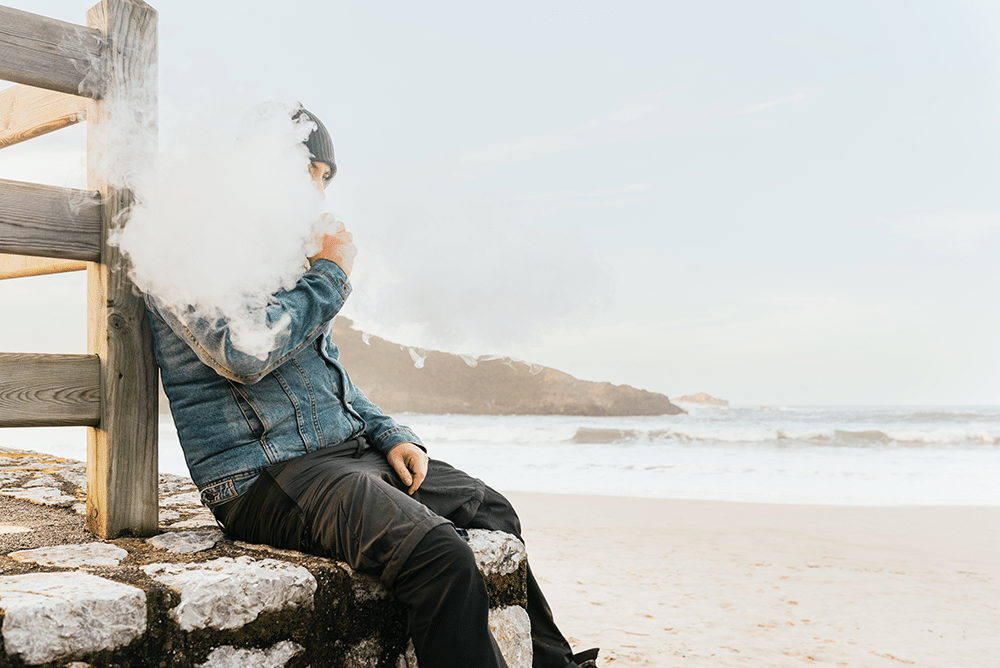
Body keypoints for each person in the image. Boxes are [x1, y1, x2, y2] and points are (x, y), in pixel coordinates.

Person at [145, 103, 600, 668]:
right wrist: (331, 272)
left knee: (493, 512)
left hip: (345, 454)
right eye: (308, 170)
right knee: (440, 556)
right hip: (266, 475)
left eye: (326, 177)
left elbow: (327, 371)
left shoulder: (280, 256)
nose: (319, 191)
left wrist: (388, 433)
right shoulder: (182, 246)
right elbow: (243, 352)